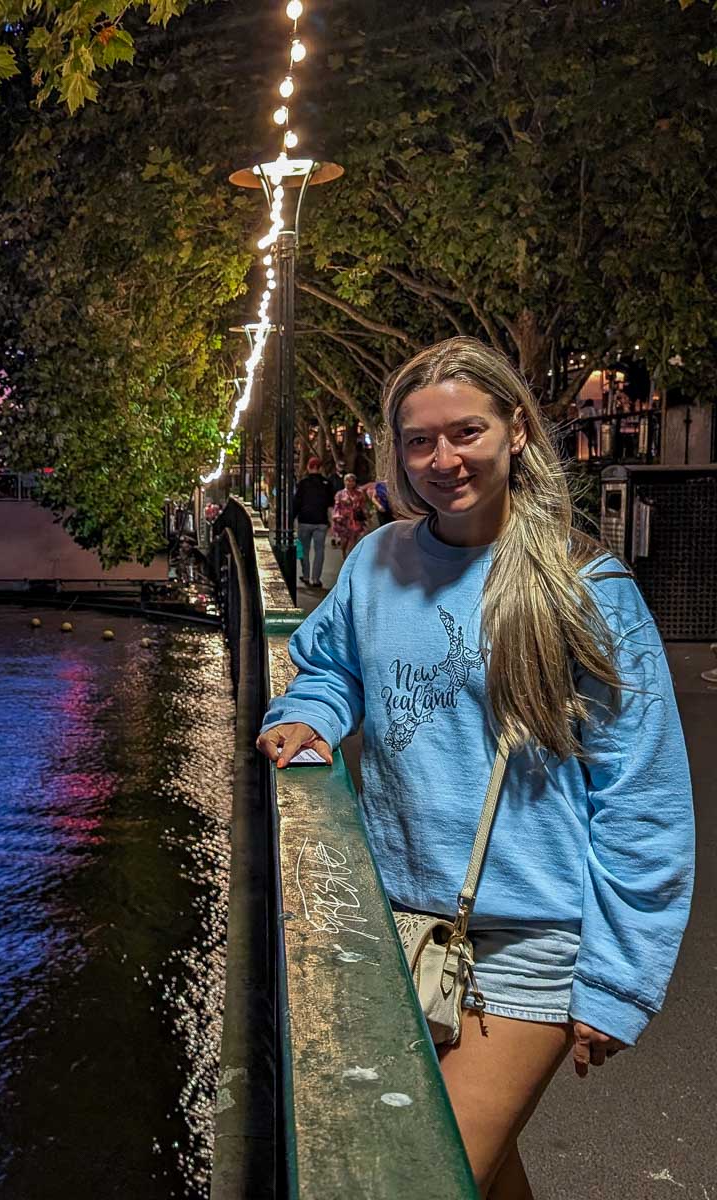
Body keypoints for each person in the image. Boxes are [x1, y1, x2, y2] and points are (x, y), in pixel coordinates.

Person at [256, 337, 694, 1198]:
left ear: (517, 432)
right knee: (475, 1174)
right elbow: (330, 665)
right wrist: (308, 715)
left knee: (406, 1178)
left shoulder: (585, 588)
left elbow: (642, 797)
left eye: (467, 432)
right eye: (420, 441)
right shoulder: (379, 562)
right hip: (401, 926)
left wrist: (617, 981)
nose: (442, 460)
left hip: (530, 942)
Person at [293, 456, 336, 588]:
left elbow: (296, 503)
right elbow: (331, 505)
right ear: (320, 468)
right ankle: (315, 579)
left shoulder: (303, 483)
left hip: (304, 521)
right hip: (321, 522)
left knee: (303, 549)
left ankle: (305, 575)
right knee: (319, 550)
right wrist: (332, 522)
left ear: (308, 467)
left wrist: (292, 520)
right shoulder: (327, 484)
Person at [331, 472, 370, 560]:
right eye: (348, 481)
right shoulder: (340, 494)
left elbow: (363, 505)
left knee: (353, 539)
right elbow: (336, 507)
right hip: (343, 520)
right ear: (344, 482)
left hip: (356, 520)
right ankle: (344, 554)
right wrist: (336, 517)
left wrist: (367, 516)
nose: (350, 483)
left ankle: (350, 558)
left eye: (352, 481)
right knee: (344, 541)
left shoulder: (359, 493)